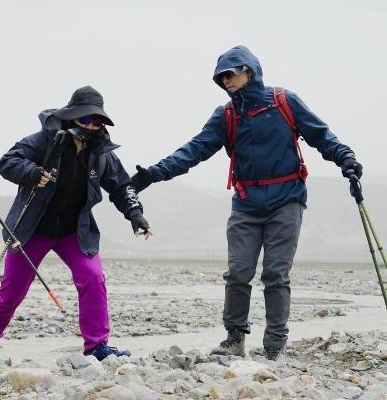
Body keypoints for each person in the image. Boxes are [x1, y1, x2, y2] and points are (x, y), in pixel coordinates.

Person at [131, 45, 362, 360]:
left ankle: (274, 347)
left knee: (276, 273)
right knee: (238, 271)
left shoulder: (284, 102)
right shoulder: (225, 115)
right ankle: (234, 338)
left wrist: (345, 158)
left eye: (230, 74)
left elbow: (321, 135)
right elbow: (193, 151)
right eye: (220, 77)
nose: (225, 80)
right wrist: (154, 174)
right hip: (246, 202)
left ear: (249, 71)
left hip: (287, 198)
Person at [0, 86, 152, 362]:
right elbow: (7, 162)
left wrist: (136, 215)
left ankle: (97, 346)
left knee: (93, 278)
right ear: (72, 116)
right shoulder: (44, 141)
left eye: (98, 120)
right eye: (87, 118)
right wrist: (31, 173)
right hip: (32, 229)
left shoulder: (101, 154)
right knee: (13, 289)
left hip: (73, 231)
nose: (93, 125)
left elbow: (122, 186)